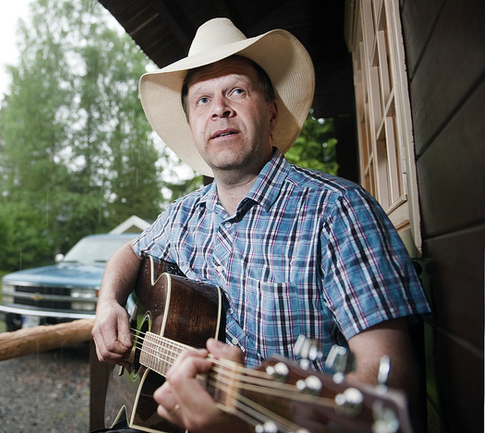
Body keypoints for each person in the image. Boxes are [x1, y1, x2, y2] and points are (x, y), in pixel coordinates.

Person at [91, 17, 430, 433]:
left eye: (236, 90)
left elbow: (391, 383)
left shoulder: (338, 210)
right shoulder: (184, 214)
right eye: (202, 100)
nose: (219, 108)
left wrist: (245, 422)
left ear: (270, 113)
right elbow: (131, 251)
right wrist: (108, 302)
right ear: (194, 128)